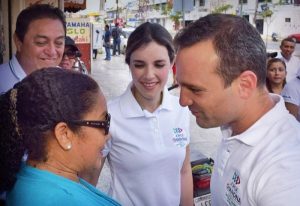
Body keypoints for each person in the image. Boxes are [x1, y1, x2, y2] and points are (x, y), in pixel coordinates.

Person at [174, 14, 300, 206]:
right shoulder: (234, 124)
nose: (183, 101)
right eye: (179, 86)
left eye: (195, 89)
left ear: (245, 84)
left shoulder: (285, 175)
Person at [102, 22, 193, 205]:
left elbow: (183, 170)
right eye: (139, 65)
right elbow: (88, 178)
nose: (149, 75)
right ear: (128, 64)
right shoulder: (109, 115)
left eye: (159, 64)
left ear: (172, 63)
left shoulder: (180, 108)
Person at [0, 67, 120, 206]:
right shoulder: (63, 201)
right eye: (103, 123)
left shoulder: (25, 177)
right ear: (64, 134)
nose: (108, 134)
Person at [0, 4, 66, 94]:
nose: (52, 52)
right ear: (18, 42)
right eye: (41, 42)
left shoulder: (66, 80)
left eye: (59, 43)